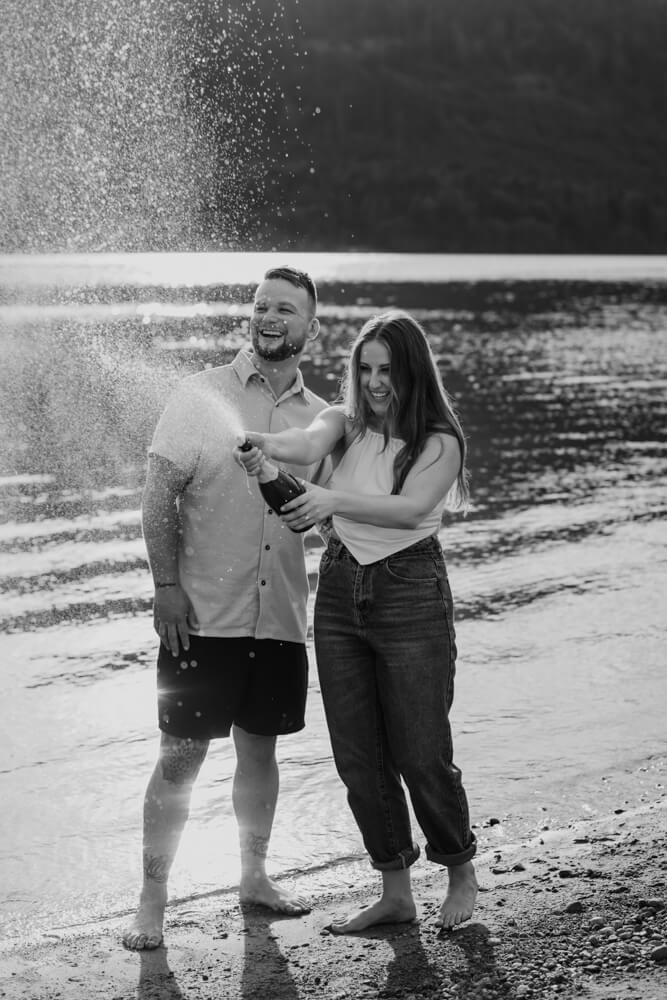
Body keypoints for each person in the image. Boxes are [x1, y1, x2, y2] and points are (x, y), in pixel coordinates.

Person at [237, 310, 478, 934]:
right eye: (365, 369)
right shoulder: (342, 423)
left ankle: (458, 869)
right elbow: (306, 444)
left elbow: (408, 510)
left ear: (412, 372)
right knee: (359, 756)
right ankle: (395, 891)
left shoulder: (439, 441)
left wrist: (332, 499)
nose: (374, 383)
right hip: (342, 592)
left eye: (387, 371)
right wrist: (262, 446)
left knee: (422, 750)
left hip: (412, 592)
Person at [122, 265, 329, 951]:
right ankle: (151, 903)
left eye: (286, 311)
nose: (270, 318)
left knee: (260, 751)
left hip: (278, 621)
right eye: (262, 306)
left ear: (310, 327)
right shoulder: (198, 395)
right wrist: (164, 587)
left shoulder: (320, 420)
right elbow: (158, 497)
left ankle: (254, 879)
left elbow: (321, 521)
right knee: (179, 759)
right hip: (200, 617)